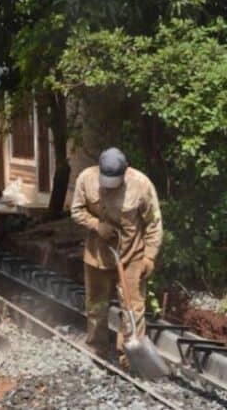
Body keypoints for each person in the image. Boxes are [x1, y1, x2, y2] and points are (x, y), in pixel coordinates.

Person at [71, 147, 163, 370]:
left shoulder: (141, 185)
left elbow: (154, 223)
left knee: (133, 309)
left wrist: (149, 256)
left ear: (125, 171)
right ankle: (97, 349)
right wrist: (97, 225)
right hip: (97, 256)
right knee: (96, 305)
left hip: (132, 257)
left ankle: (130, 358)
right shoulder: (86, 179)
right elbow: (76, 211)